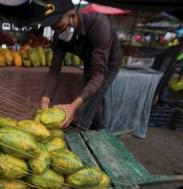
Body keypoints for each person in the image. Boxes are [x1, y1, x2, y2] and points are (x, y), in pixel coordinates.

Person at [34, 0, 122, 129]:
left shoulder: (99, 25)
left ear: (73, 17)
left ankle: (82, 131)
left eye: (59, 26)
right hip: (89, 61)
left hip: (108, 64)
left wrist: (72, 107)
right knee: (91, 95)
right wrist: (46, 97)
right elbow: (54, 70)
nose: (57, 32)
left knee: (92, 99)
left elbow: (98, 75)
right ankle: (99, 128)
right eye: (53, 28)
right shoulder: (60, 36)